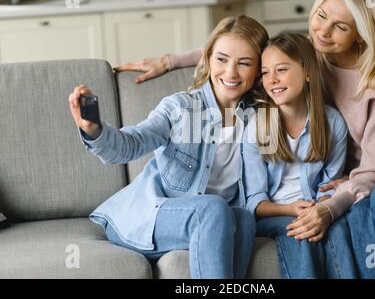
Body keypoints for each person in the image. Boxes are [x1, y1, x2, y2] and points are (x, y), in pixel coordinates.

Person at [114, 0, 375, 279]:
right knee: (359, 211)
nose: (323, 31)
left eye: (339, 27)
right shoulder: (311, 55)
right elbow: (245, 49)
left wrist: (332, 203)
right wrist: (170, 60)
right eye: (320, 16)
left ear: (360, 34)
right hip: (365, 178)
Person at [68, 15, 270, 279]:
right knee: (213, 208)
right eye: (221, 59)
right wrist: (94, 130)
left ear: (258, 71)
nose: (231, 72)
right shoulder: (179, 108)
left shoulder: (258, 119)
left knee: (243, 219)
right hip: (155, 216)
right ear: (207, 58)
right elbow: (132, 143)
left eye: (244, 63)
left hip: (211, 220)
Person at [243, 31, 357, 278]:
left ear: (307, 72)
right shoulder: (256, 127)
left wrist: (320, 212)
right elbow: (254, 202)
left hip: (314, 206)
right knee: (300, 233)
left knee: (338, 229)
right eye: (265, 72)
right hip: (274, 214)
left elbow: (329, 186)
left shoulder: (333, 123)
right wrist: (290, 209)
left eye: (281, 70)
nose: (272, 79)